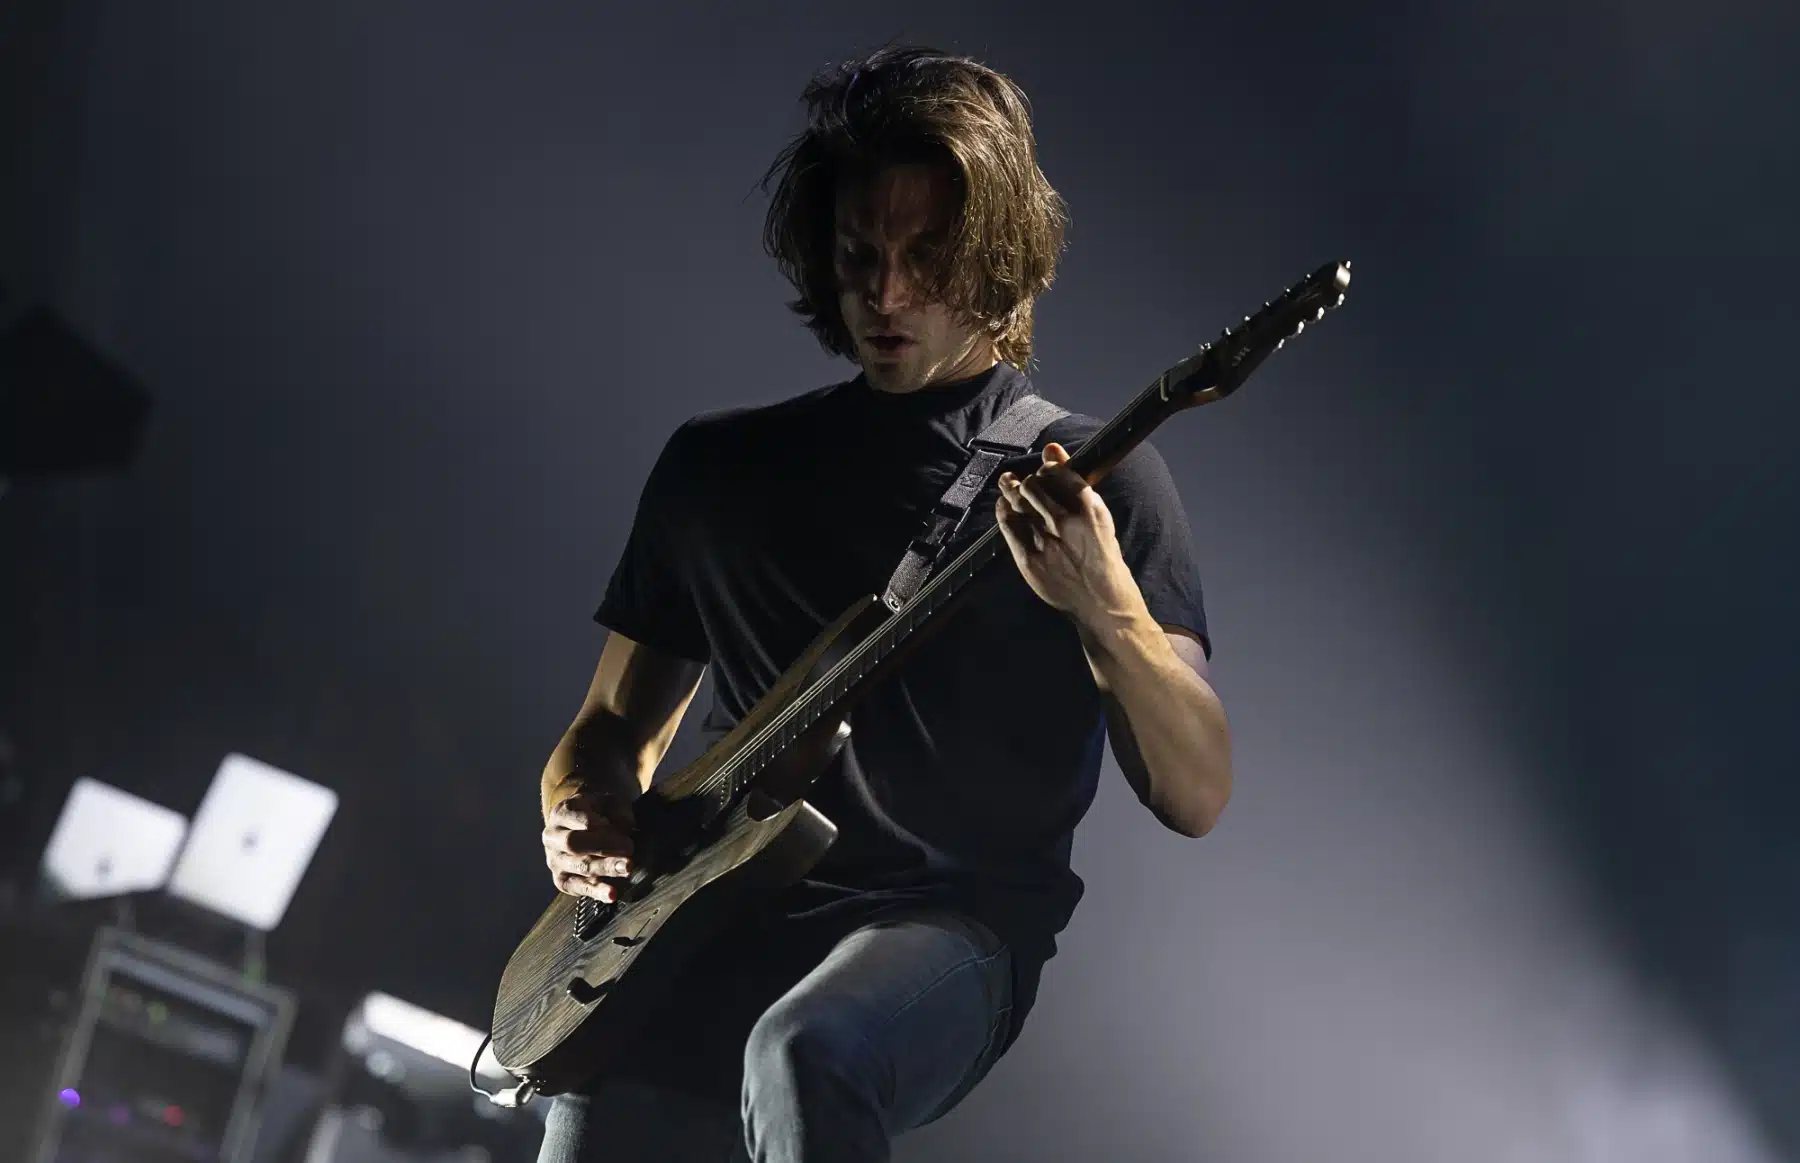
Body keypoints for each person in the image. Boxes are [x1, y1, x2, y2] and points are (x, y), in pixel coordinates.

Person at [533, 45, 1233, 1163]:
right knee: (594, 1084)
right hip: (708, 907)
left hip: (944, 930)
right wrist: (580, 809)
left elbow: (1196, 790)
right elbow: (612, 728)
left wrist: (1107, 606)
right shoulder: (719, 469)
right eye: (861, 254)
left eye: (927, 257)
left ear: (999, 257)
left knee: (807, 1049)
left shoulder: (1094, 479)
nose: (888, 294)